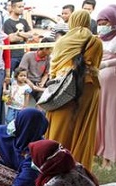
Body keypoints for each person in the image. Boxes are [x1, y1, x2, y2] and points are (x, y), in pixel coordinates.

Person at [43, 10, 102, 172]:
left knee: (59, 127)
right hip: (87, 88)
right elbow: (94, 65)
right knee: (82, 129)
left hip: (62, 88)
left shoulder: (62, 41)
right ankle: (78, 169)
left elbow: (53, 69)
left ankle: (53, 166)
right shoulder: (94, 42)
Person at [95, 5, 116, 170]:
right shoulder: (100, 38)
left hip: (112, 81)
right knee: (99, 115)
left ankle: (109, 156)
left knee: (110, 115)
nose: (102, 25)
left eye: (105, 22)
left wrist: (106, 64)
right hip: (99, 82)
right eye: (100, 22)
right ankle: (99, 150)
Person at [18, 37, 52, 103]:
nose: (52, 51)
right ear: (45, 48)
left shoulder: (48, 58)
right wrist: (33, 86)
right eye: (51, 49)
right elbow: (21, 74)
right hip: (26, 81)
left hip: (38, 83)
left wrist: (42, 82)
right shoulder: (28, 56)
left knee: (42, 101)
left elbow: (46, 74)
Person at [3, 0, 31, 72]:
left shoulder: (23, 21)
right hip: (12, 56)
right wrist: (24, 36)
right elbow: (11, 38)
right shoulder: (7, 22)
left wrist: (18, 34)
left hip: (23, 55)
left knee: (22, 77)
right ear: (12, 8)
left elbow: (30, 35)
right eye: (19, 7)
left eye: (22, 6)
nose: (22, 8)